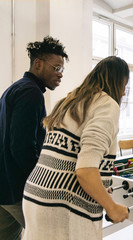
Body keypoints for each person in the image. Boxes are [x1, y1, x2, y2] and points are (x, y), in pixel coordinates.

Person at [22, 56, 130, 240]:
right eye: (124, 86)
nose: (124, 93)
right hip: (63, 206)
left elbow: (69, 155)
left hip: (35, 195)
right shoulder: (107, 105)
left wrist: (101, 185)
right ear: (117, 82)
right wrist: (112, 207)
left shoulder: (69, 100)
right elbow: (85, 171)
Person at [0, 36, 68, 240]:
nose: (60, 74)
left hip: (3, 188)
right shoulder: (31, 93)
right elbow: (22, 147)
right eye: (56, 68)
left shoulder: (13, 89)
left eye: (62, 69)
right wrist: (41, 183)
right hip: (18, 190)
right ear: (38, 64)